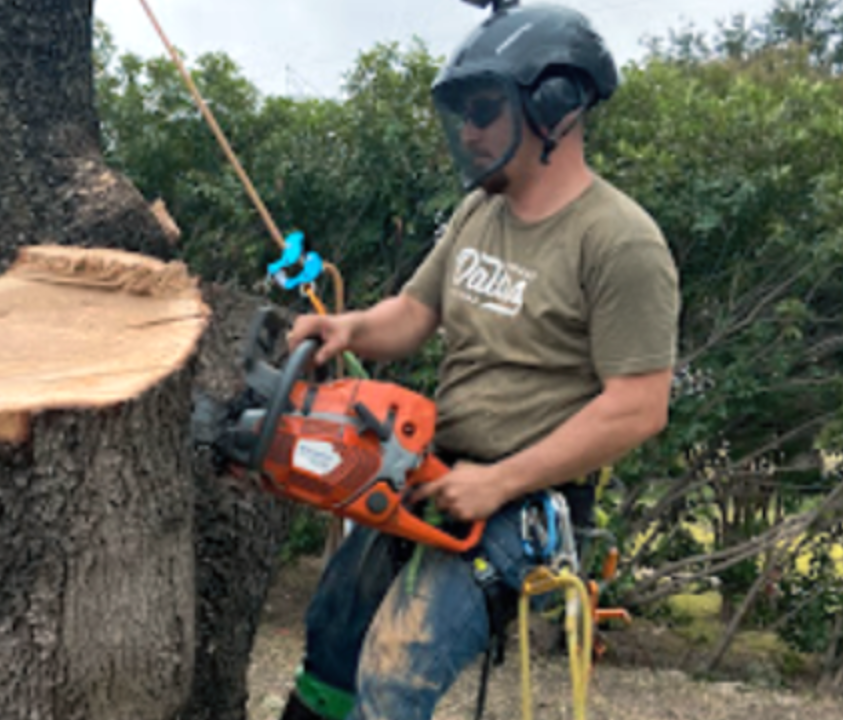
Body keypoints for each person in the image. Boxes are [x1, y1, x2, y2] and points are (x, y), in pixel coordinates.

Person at [277, 4, 680, 720]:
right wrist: (345, 327)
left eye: (485, 110)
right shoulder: (477, 216)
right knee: (332, 638)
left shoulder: (621, 243)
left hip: (523, 504)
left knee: (393, 680)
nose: (468, 130)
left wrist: (498, 481)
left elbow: (638, 405)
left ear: (555, 107)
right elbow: (411, 313)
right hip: (429, 467)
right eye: (462, 113)